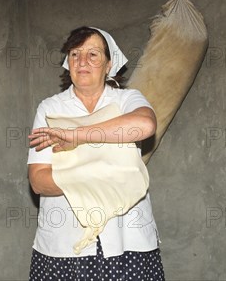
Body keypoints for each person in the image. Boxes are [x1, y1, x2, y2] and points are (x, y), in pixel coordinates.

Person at [27, 26, 165, 280]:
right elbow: (38, 180)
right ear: (68, 63)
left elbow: (144, 125)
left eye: (93, 55)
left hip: (128, 240)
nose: (82, 62)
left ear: (109, 64)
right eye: (75, 54)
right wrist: (108, 167)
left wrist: (75, 137)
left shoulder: (127, 100)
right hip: (66, 244)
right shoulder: (50, 108)